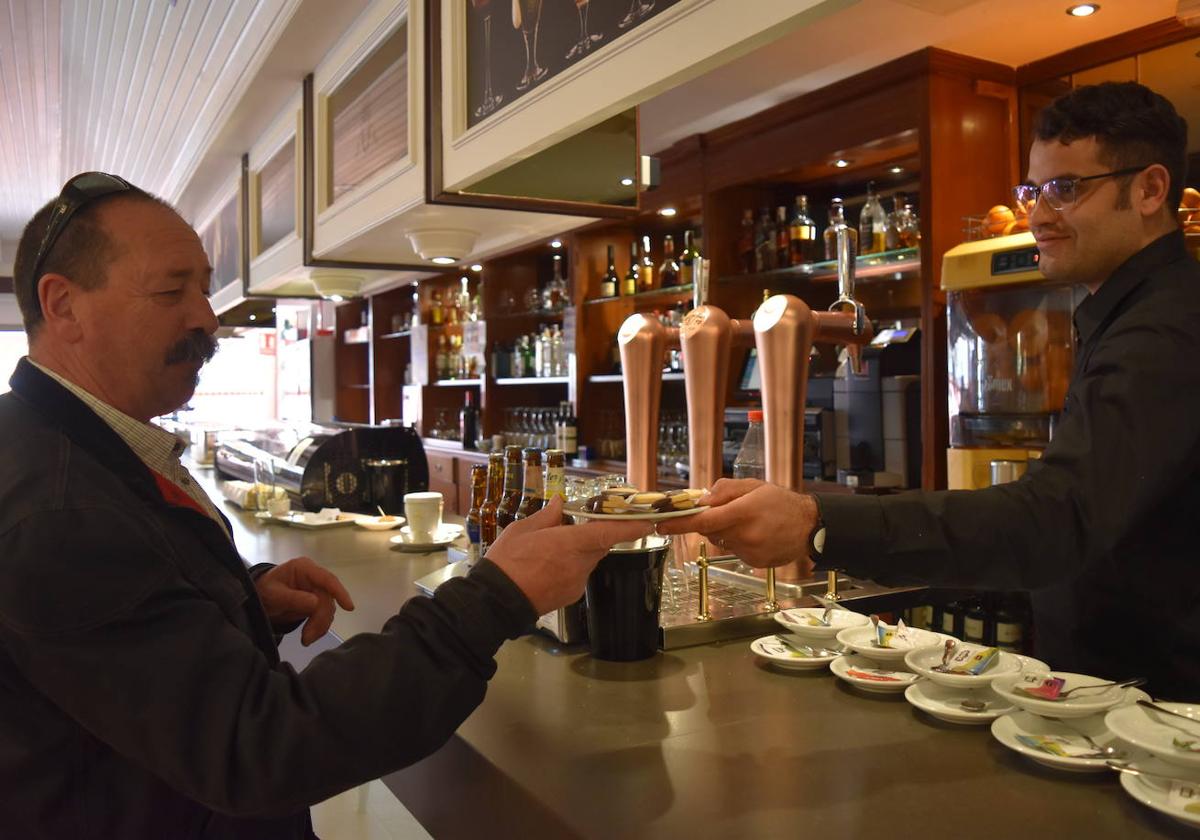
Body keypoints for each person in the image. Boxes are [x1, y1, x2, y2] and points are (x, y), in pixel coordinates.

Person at [0, 174, 652, 839]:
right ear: (64, 306)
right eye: (172, 291)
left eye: (203, 287)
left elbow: (119, 636)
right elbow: (259, 748)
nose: (205, 317)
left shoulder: (60, 448)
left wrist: (239, 598)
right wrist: (495, 596)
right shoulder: (58, 511)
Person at [661, 81, 1200, 701]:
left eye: (1066, 188)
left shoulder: (1164, 331)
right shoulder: (1120, 313)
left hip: (1167, 703)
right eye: (1034, 190)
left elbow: (1060, 517)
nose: (1039, 215)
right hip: (1113, 687)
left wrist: (817, 521)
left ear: (1150, 190)